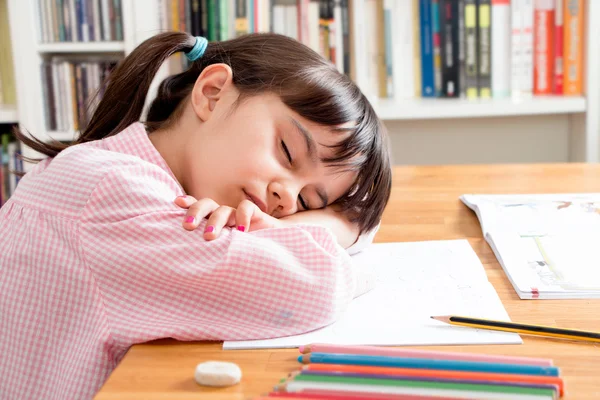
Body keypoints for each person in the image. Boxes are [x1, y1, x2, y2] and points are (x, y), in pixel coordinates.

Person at [0, 32, 391, 399]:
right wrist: (331, 227)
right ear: (213, 93)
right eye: (287, 152)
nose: (285, 198)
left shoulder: (122, 170)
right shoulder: (116, 194)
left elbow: (362, 223)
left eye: (307, 202)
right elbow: (313, 286)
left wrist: (301, 226)